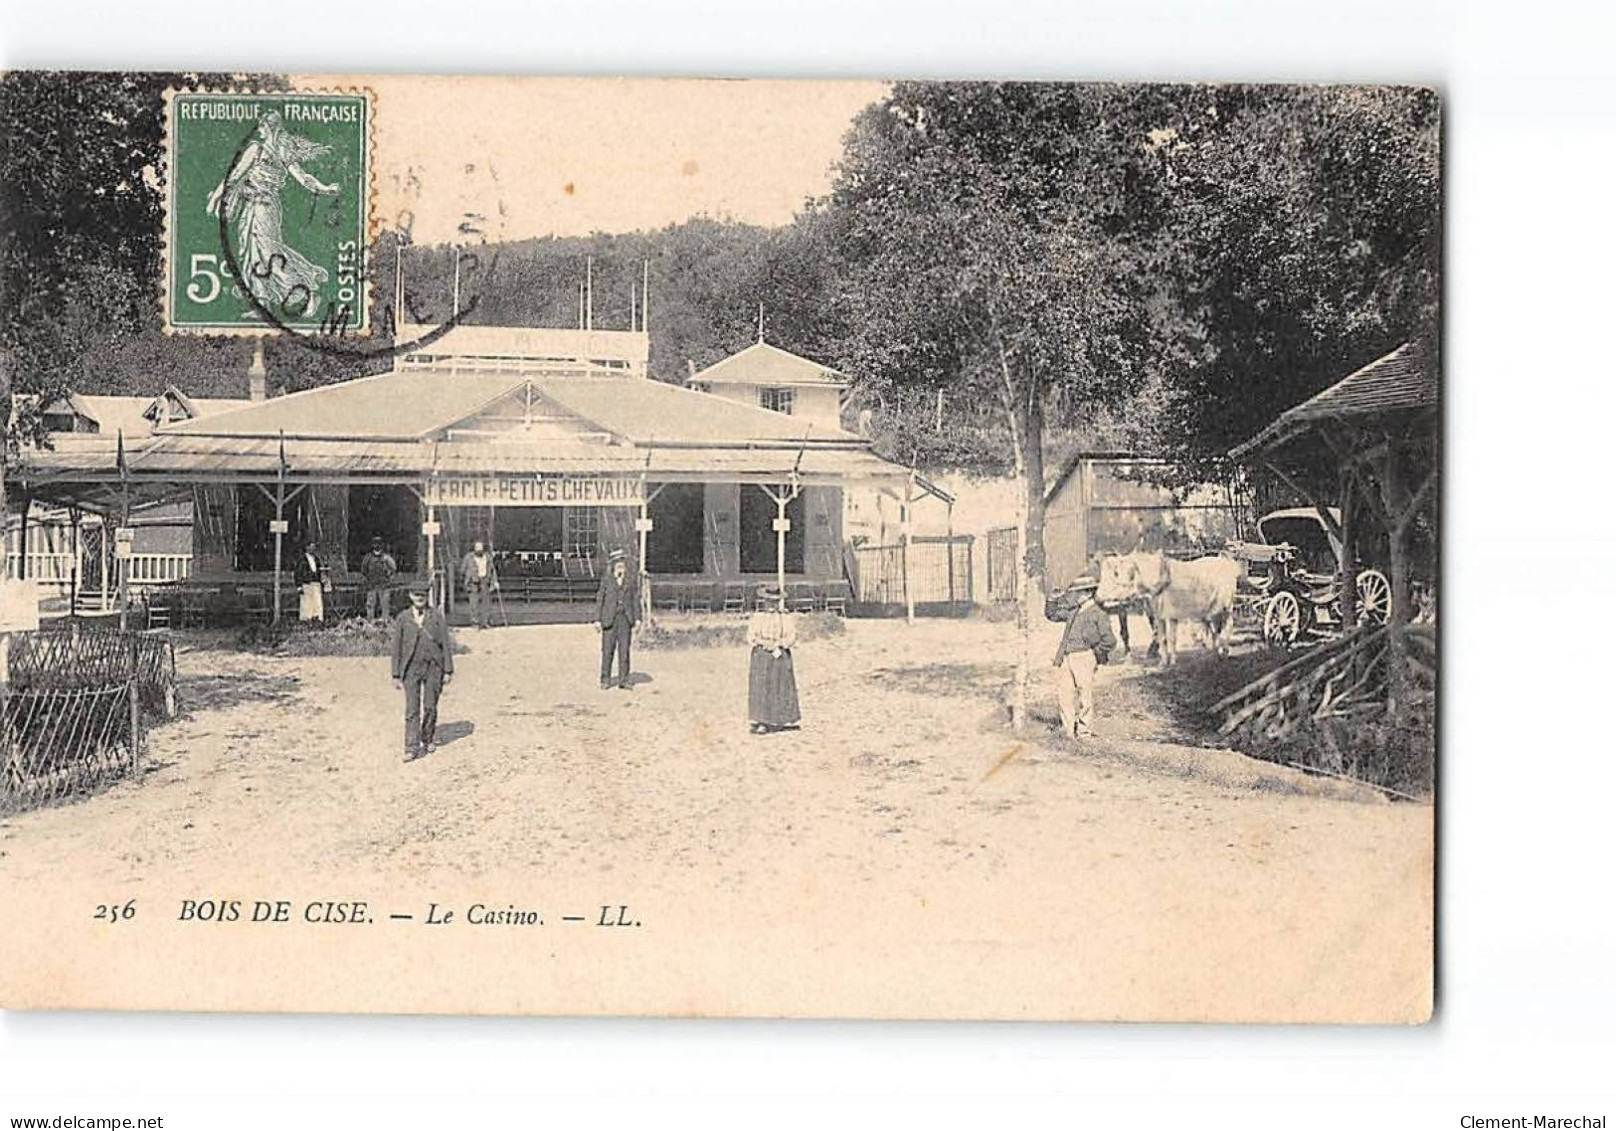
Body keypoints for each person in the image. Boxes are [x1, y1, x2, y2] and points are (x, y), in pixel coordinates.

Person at [389, 581, 454, 762]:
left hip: (433, 666)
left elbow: (445, 645)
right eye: (416, 595)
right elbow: (396, 648)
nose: (420, 598)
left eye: (423, 595)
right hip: (411, 667)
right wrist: (395, 674)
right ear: (410, 596)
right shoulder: (403, 618)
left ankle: (428, 737)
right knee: (412, 708)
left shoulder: (436, 617)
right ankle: (411, 746)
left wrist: (448, 670)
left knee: (430, 706)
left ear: (427, 597)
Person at [1051, 575, 1117, 741]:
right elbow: (1052, 615)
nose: (1075, 596)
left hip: (1085, 657)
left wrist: (1095, 655)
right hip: (1066, 657)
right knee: (1065, 693)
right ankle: (1068, 732)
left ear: (1088, 593)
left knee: (1084, 695)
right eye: (1074, 592)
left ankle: (1084, 733)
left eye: (1078, 592)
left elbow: (1109, 640)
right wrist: (1052, 599)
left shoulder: (1099, 614)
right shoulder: (1073, 611)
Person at [746, 585, 801, 734]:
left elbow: (791, 636)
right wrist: (764, 644)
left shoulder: (785, 618)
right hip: (762, 653)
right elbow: (751, 636)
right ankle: (761, 720)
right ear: (764, 601)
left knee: (779, 684)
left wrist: (779, 645)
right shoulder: (758, 617)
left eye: (775, 602)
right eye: (769, 601)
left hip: (779, 653)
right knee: (762, 686)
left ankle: (778, 719)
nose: (771, 605)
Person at [594, 548, 638, 690]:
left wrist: (637, 618)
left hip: (625, 619)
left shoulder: (630, 580)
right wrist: (597, 620)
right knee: (607, 651)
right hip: (609, 620)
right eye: (618, 563)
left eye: (622, 563)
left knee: (624, 651)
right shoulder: (607, 580)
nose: (621, 566)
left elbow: (635, 600)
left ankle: (624, 680)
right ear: (612, 565)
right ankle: (605, 679)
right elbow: (600, 599)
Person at [459, 540, 500, 629]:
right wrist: (467, 579)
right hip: (473, 582)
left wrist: (495, 581)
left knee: (486, 603)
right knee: (474, 603)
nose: (479, 550)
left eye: (480, 548)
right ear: (474, 548)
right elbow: (462, 570)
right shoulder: (468, 557)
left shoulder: (487, 557)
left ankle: (486, 622)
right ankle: (475, 623)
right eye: (477, 548)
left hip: (485, 580)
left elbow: (493, 570)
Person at [360, 537, 397, 622]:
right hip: (372, 585)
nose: (377, 545)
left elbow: (393, 569)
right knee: (370, 605)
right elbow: (363, 571)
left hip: (384, 586)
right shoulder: (368, 558)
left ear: (382, 545)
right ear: (372, 545)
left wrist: (389, 579)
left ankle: (385, 622)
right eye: (375, 543)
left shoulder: (386, 558)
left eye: (379, 543)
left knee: (385, 605)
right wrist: (367, 580)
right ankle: (370, 622)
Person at [293, 541, 325, 623]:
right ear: (307, 548)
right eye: (311, 547)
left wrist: (321, 580)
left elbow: (319, 571)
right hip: (306, 583)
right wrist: (299, 586)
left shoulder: (317, 559)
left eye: (314, 547)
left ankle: (317, 618)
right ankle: (306, 619)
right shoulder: (302, 560)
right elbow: (298, 573)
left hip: (316, 583)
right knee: (306, 602)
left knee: (317, 602)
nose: (313, 549)